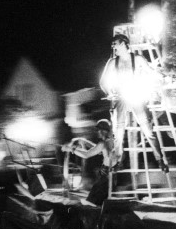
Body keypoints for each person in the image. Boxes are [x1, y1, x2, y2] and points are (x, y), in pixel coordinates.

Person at [99, 33, 168, 172]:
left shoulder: (137, 59)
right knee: (118, 133)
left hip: (135, 96)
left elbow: (151, 73)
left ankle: (160, 159)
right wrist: (109, 93)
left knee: (148, 131)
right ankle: (118, 161)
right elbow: (103, 81)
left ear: (123, 44)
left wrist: (160, 79)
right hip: (121, 97)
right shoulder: (113, 62)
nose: (113, 47)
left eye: (115, 44)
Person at [61, 119, 118, 207]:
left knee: (90, 204)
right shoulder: (112, 141)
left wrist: (70, 149)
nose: (97, 132)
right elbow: (97, 149)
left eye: (98, 130)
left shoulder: (103, 144)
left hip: (104, 182)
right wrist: (85, 142)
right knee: (95, 204)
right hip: (112, 179)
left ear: (103, 131)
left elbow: (86, 155)